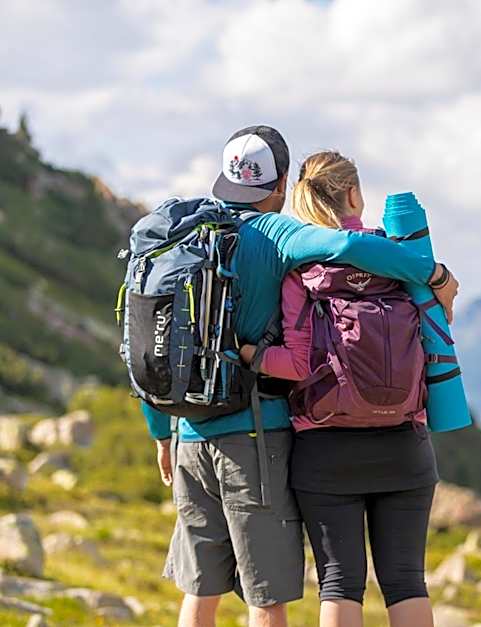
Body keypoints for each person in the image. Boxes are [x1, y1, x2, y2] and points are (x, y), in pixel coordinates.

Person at [144, 128, 458, 627]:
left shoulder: (183, 236)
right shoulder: (279, 235)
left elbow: (154, 340)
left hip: (187, 435)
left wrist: (162, 432)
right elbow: (351, 247)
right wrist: (432, 274)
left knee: (200, 590)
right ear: (282, 182)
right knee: (265, 597)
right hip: (253, 436)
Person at [239, 151, 445, 627]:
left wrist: (250, 355)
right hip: (404, 446)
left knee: (339, 580)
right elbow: (437, 330)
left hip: (326, 450)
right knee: (406, 580)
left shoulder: (301, 269)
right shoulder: (404, 258)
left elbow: (294, 363)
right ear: (354, 194)